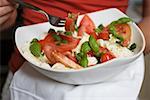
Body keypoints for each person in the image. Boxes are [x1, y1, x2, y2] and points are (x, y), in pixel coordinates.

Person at [0, 0, 150, 99]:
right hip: (28, 75)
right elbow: (9, 10)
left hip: (109, 87)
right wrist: (6, 14)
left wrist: (122, 52)